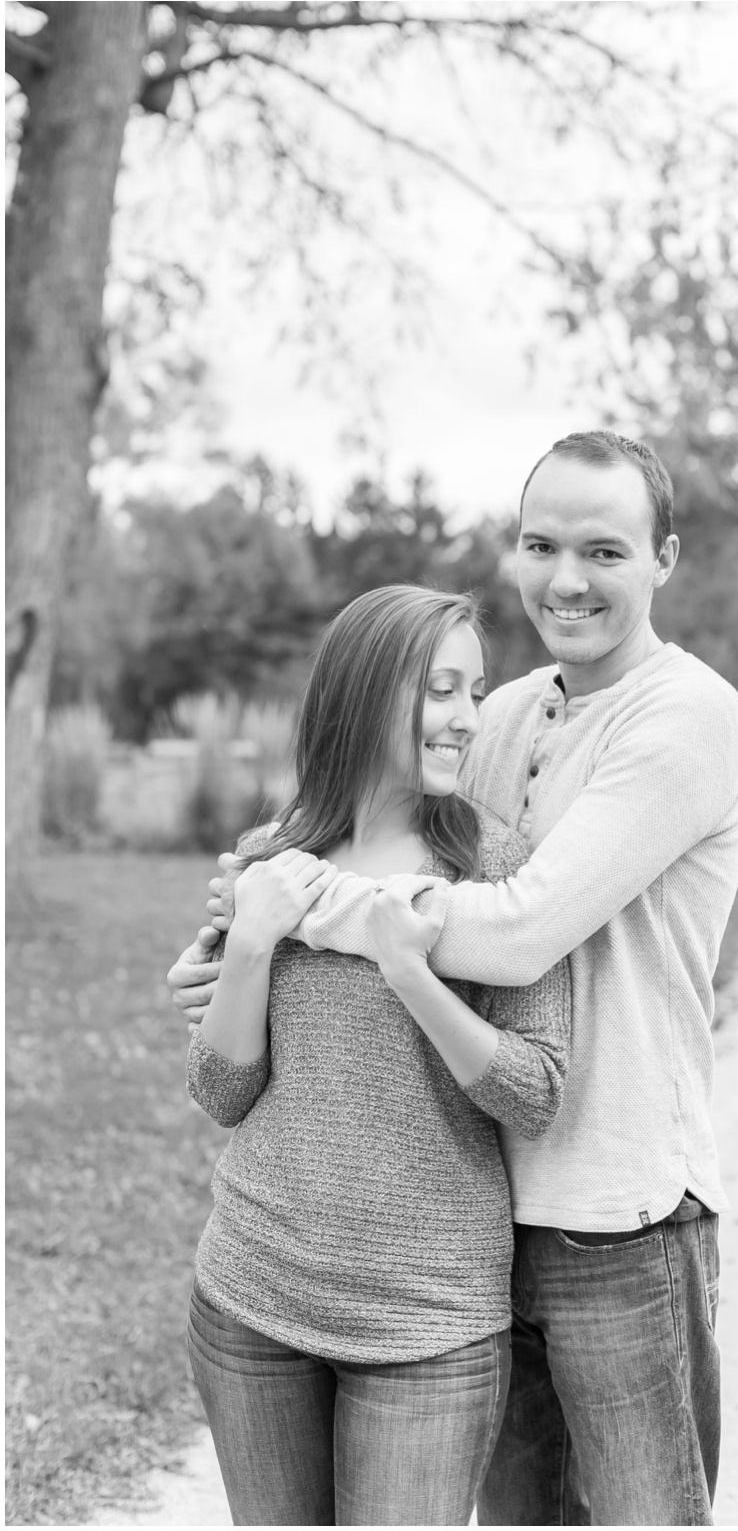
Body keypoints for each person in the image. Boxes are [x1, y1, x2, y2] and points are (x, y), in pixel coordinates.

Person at [169, 430, 738, 1525]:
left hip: (613, 1205)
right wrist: (237, 931)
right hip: (485, 1222)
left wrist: (304, 900)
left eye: (605, 550)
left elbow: (515, 926)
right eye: (541, 543)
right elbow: (382, 815)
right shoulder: (505, 711)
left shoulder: (687, 714)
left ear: (663, 557)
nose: (566, 578)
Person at [184, 584, 572, 1525]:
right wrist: (247, 944)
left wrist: (414, 975)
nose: (466, 719)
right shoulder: (273, 855)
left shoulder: (500, 868)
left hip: (428, 1328)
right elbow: (222, 1090)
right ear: (365, 693)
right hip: (253, 1300)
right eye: (442, 690)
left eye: (474, 693)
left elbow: (535, 1090)